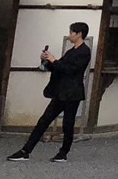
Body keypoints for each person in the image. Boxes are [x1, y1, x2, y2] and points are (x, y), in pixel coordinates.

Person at [7, 22, 92, 163]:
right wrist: (47, 60)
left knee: (68, 124)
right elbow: (59, 68)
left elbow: (71, 70)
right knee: (44, 120)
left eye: (71, 32)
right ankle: (25, 151)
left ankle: (63, 153)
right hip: (61, 92)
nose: (70, 35)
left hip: (72, 93)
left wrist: (55, 60)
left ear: (79, 34)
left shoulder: (84, 52)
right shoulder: (71, 51)